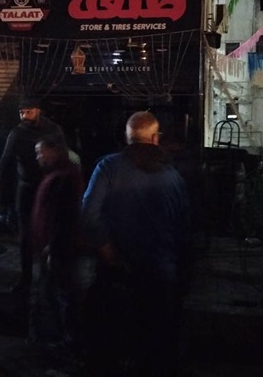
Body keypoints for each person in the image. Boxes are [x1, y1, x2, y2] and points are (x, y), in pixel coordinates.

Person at [81, 111, 192, 376]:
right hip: (160, 273)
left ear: (127, 137)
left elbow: (88, 214)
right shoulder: (173, 176)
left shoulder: (108, 168)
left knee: (111, 342)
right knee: (155, 344)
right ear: (155, 138)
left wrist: (106, 248)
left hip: (118, 271)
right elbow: (185, 228)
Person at [0, 95, 66, 295]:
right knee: (25, 235)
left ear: (38, 111)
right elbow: (5, 163)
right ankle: (25, 278)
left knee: (49, 232)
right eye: (22, 112)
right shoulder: (17, 133)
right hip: (26, 189)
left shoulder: (53, 131)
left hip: (49, 188)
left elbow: (63, 159)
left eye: (29, 112)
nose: (25, 116)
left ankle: (49, 278)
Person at [29, 138, 92, 361]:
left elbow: (63, 218)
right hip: (54, 248)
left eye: (41, 152)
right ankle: (58, 340)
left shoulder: (64, 177)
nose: (38, 157)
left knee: (60, 295)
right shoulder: (58, 175)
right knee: (55, 294)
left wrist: (52, 247)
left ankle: (64, 344)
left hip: (59, 249)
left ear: (55, 152)